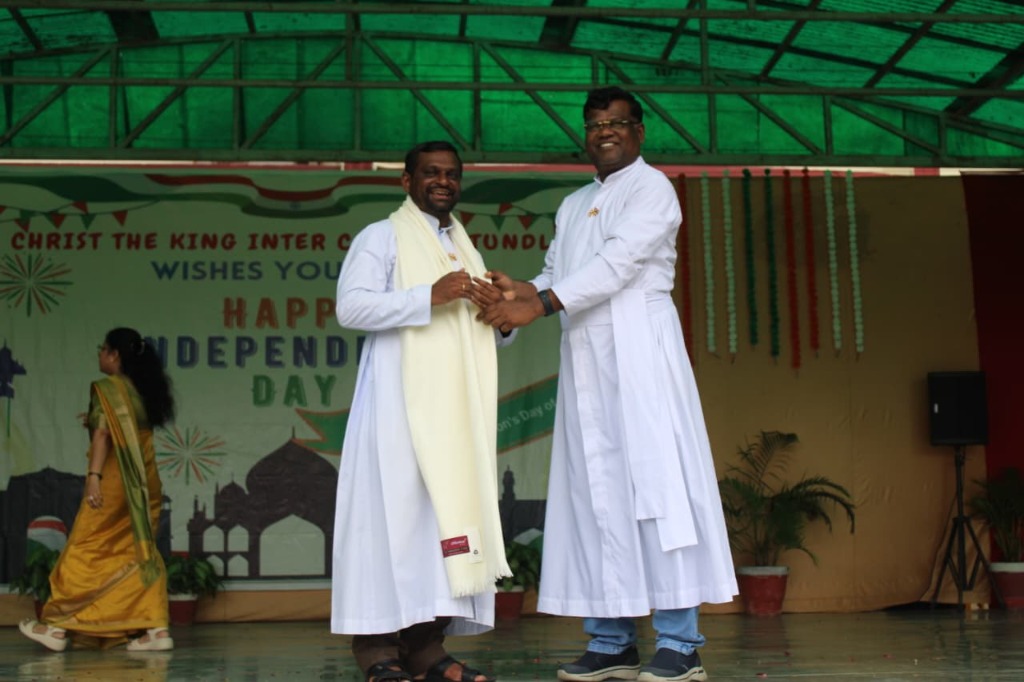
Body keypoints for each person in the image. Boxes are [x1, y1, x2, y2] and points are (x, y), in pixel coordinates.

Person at [477, 86, 738, 682]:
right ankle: (612, 641)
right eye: (595, 124)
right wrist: (518, 291)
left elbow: (617, 266)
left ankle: (680, 644)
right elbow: (556, 272)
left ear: (639, 132)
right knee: (597, 495)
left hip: (641, 353)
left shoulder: (653, 189)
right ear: (585, 135)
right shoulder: (574, 204)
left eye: (617, 123)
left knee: (659, 491)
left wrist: (538, 304)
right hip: (587, 361)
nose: (606, 132)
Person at [330, 141, 514, 682]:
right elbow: (351, 307)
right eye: (431, 173)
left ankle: (427, 648)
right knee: (390, 523)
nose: (443, 181)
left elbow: (474, 332)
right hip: (396, 410)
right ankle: (377, 651)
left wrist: (501, 317)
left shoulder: (463, 247)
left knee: (439, 524)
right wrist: (426, 296)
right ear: (406, 181)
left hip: (454, 416)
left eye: (451, 174)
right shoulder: (381, 236)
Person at [20, 327, 176, 653]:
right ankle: (157, 629)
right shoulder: (144, 390)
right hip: (146, 483)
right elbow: (118, 430)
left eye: (102, 349)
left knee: (85, 547)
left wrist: (93, 477)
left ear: (114, 354)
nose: (99, 354)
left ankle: (56, 627)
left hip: (115, 483)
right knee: (140, 550)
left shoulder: (108, 389)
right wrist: (93, 422)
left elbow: (104, 436)